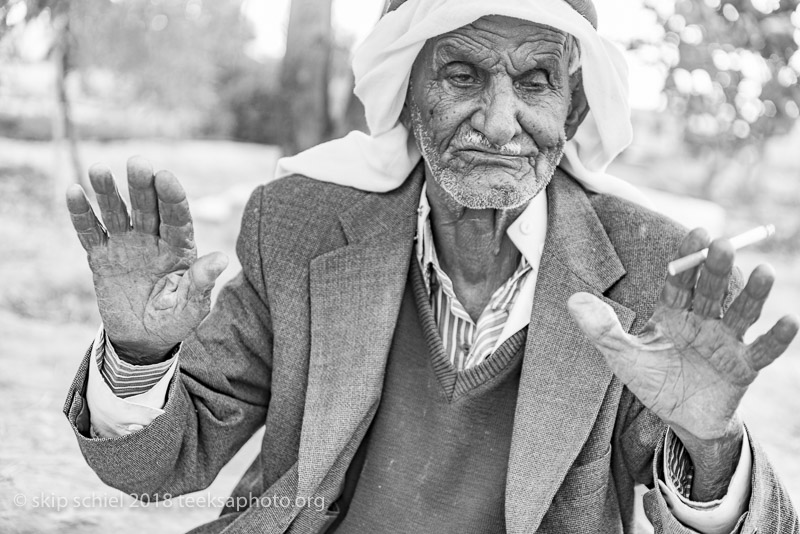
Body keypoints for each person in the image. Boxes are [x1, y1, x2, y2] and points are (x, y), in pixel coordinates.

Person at [63, 0, 799, 532]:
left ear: (573, 112)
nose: (500, 120)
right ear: (408, 95)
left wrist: (712, 440)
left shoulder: (653, 266)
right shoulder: (298, 225)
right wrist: (138, 351)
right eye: (463, 74)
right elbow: (157, 471)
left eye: (536, 80)